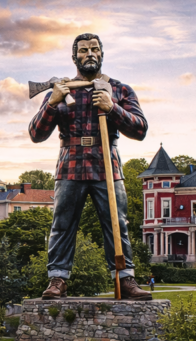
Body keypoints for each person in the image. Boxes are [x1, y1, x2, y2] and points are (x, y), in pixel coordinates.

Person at [28, 33, 152, 301]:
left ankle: (125, 278)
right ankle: (57, 279)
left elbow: (140, 130)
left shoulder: (119, 90)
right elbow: (36, 134)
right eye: (83, 50)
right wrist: (51, 103)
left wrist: (113, 108)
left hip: (107, 164)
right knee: (62, 225)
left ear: (102, 54)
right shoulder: (60, 91)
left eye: (94, 49)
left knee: (117, 223)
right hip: (70, 165)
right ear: (75, 57)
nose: (89, 54)